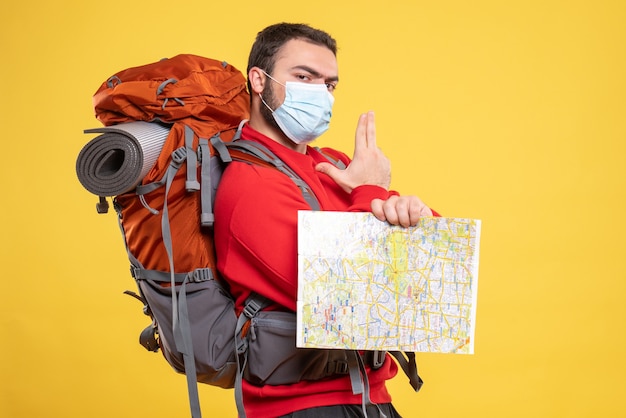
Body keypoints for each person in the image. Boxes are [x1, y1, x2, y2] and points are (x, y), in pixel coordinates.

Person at [214, 22, 438, 418]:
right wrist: (370, 193)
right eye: (304, 77)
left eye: (329, 84)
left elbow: (433, 280)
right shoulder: (249, 184)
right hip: (304, 408)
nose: (320, 94)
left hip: (373, 399)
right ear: (259, 81)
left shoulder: (333, 164)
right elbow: (351, 303)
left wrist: (413, 214)